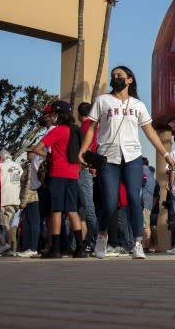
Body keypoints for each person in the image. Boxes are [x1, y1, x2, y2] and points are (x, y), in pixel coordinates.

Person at [78, 65, 175, 260]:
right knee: (109, 202)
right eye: (113, 76)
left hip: (132, 156)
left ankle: (137, 243)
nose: (116, 78)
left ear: (129, 79)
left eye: (120, 75)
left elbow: (150, 132)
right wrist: (83, 150)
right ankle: (102, 235)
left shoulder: (138, 105)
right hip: (108, 157)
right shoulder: (102, 101)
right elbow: (91, 128)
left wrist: (166, 154)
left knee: (133, 198)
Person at [33, 101, 86, 259]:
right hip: (73, 174)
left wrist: (50, 156)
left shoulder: (57, 131)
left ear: (58, 115)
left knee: (57, 210)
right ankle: (81, 248)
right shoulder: (76, 130)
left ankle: (55, 248)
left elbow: (37, 148)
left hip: (58, 173)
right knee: (73, 210)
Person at [77, 102, 98, 252]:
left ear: (79, 115)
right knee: (84, 209)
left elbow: (87, 148)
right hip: (91, 168)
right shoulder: (96, 126)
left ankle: (95, 241)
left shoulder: (85, 127)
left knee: (88, 208)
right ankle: (87, 241)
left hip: (85, 168)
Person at [16, 144, 41, 258]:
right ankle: (29, 247)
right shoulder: (31, 166)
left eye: (29, 152)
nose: (27, 154)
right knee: (28, 224)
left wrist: (23, 202)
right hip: (30, 199)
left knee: (33, 223)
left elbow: (28, 185)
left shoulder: (33, 167)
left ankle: (33, 248)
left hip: (32, 198)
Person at [0, 149, 22, 255]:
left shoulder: (1, 166)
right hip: (15, 198)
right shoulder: (18, 167)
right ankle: (9, 248)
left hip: (3, 197)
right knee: (10, 224)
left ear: (1, 157)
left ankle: (3, 246)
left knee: (2, 224)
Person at [141, 157, 157, 250]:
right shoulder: (151, 175)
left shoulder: (143, 173)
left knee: (145, 225)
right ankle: (146, 245)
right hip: (149, 202)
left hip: (144, 202)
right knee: (147, 225)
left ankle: (145, 245)